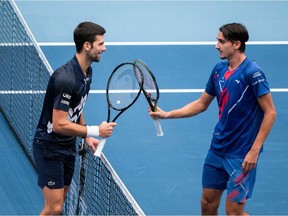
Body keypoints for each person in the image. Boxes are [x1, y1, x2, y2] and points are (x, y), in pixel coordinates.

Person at [149, 23, 276, 215]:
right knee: (207, 205)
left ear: (236, 44)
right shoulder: (218, 70)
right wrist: (167, 114)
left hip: (241, 154)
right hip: (217, 149)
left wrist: (254, 151)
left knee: (234, 213)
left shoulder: (252, 72)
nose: (216, 45)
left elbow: (270, 112)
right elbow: (201, 104)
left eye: (221, 41)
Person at [33, 21, 117, 215]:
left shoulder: (87, 73)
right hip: (49, 147)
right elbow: (59, 125)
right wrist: (95, 130)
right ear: (87, 45)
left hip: (67, 147)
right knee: (53, 207)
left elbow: (76, 108)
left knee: (61, 200)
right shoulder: (66, 79)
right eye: (100, 44)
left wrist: (85, 135)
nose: (104, 48)